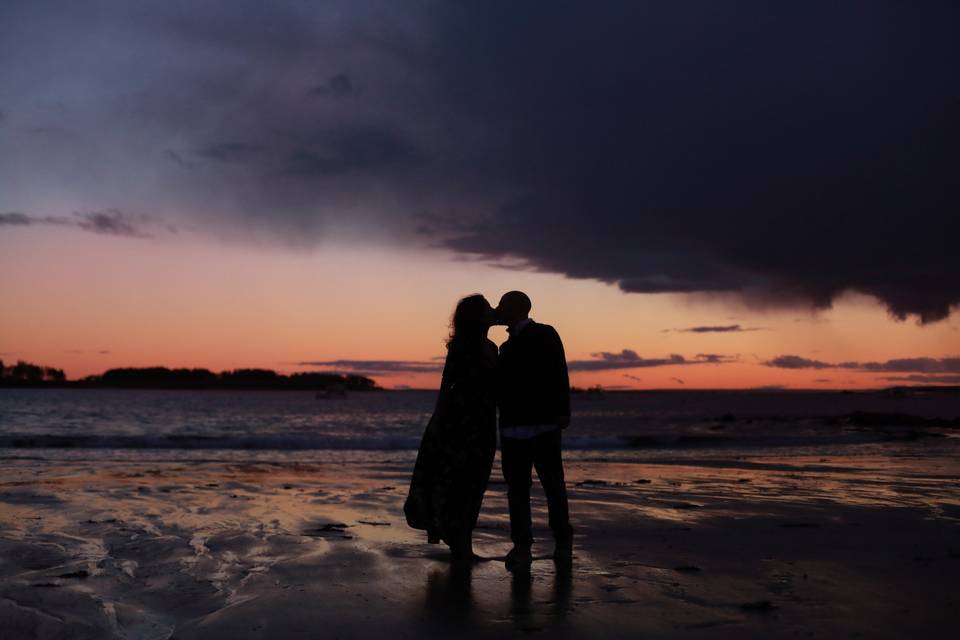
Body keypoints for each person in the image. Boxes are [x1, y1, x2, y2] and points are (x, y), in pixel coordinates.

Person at [404, 294, 498, 563]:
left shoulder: (492, 348)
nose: (492, 311)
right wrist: (442, 425)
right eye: (487, 308)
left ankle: (460, 540)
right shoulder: (462, 347)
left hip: (483, 425)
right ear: (476, 317)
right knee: (459, 484)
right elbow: (448, 389)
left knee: (476, 482)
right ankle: (461, 544)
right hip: (458, 426)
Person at [494, 291, 574, 571]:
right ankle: (522, 546)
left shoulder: (545, 334)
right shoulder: (505, 347)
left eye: (502, 305)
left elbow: (559, 372)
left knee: (553, 485)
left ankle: (563, 542)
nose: (498, 309)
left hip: (543, 425)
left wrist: (564, 410)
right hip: (513, 427)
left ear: (515, 308)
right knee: (517, 490)